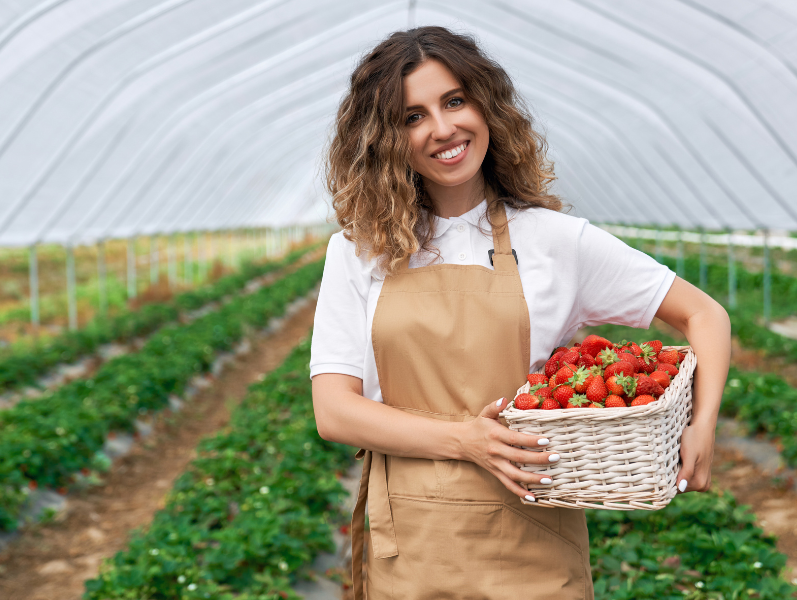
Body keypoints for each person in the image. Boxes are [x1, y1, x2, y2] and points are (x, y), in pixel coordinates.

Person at [310, 26, 731, 599]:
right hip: (411, 547)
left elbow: (704, 315)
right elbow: (334, 411)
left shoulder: (557, 241)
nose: (442, 129)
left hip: (532, 544)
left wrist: (701, 424)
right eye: (412, 116)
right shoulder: (360, 253)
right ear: (384, 139)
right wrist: (467, 440)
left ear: (487, 105)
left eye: (454, 101)